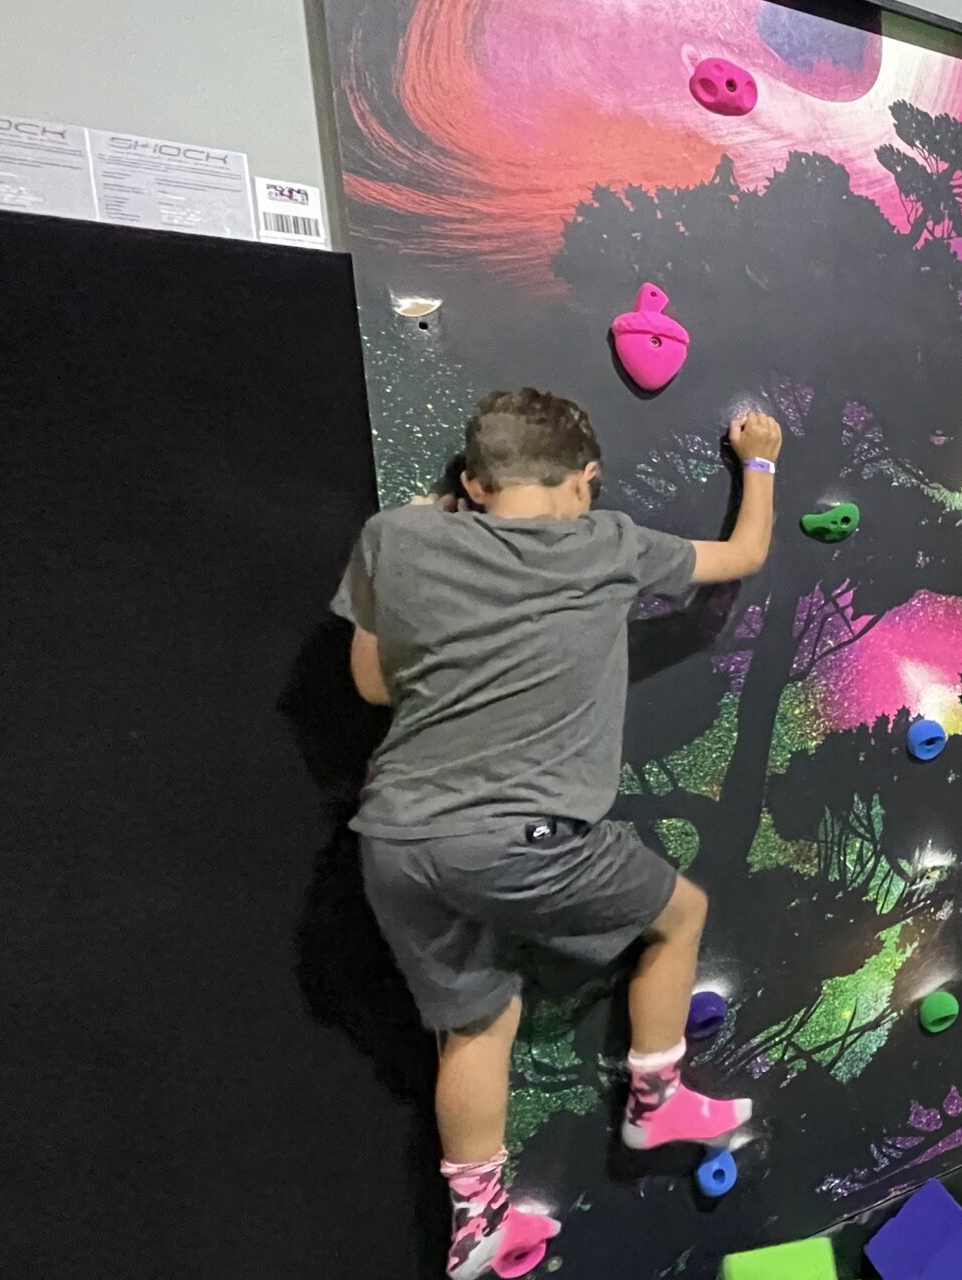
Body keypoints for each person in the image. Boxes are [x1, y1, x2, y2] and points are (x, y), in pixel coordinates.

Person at [334, 388, 781, 1278]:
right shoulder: (606, 541)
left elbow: (373, 688)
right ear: (587, 480)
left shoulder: (396, 537)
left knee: (479, 1019)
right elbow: (743, 554)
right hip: (524, 837)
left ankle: (478, 1223)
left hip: (394, 840)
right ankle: (654, 1098)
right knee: (680, 914)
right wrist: (760, 460)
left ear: (472, 480)